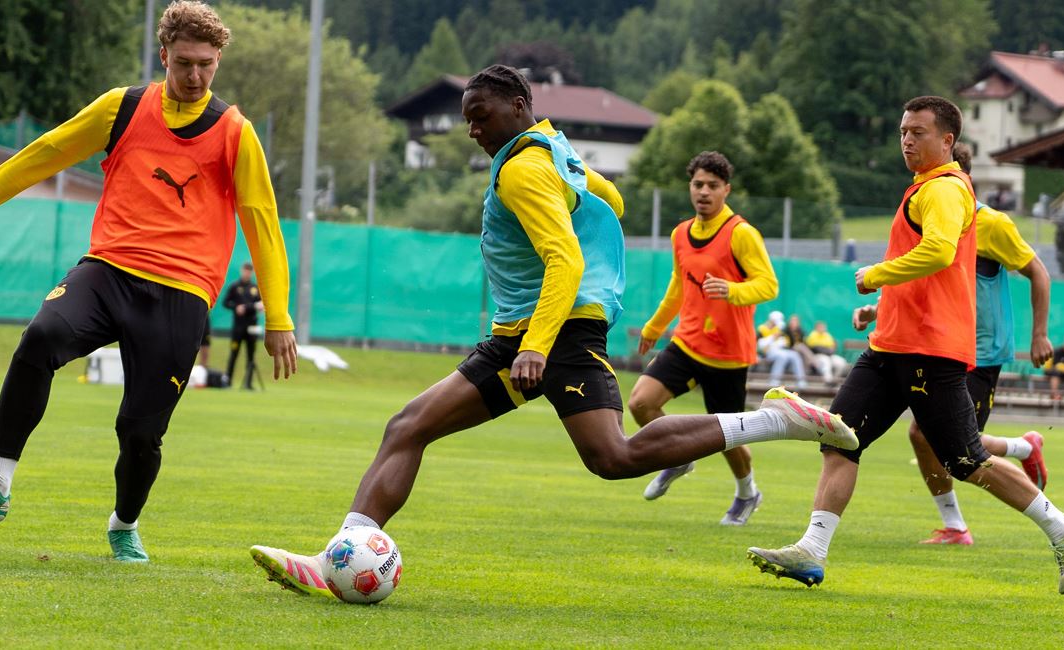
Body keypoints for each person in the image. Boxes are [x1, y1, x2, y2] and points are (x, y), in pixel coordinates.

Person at [249, 64, 858, 599]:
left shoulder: (523, 170)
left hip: (545, 331)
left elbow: (564, 258)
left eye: (479, 116)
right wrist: (571, 190)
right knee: (590, 453)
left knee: (429, 429)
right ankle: (780, 420)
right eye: (467, 120)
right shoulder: (552, 150)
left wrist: (536, 345)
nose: (472, 129)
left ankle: (339, 558)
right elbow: (613, 201)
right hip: (549, 327)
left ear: (517, 108)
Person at [0, 1, 298, 563]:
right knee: (40, 338)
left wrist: (279, 317)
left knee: (140, 431)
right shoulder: (122, 108)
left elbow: (263, 223)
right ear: (163, 56)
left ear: (218, 60)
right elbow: (42, 155)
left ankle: (123, 523)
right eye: (184, 63)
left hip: (181, 294)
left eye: (206, 64)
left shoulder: (235, 133)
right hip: (107, 270)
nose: (195, 75)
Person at [747, 96, 1064, 595]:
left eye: (918, 132)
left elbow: (939, 252)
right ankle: (812, 550)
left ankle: (1063, 533)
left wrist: (875, 275)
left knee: (966, 460)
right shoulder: (924, 189)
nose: (907, 140)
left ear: (949, 142)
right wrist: (883, 306)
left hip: (928, 351)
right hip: (890, 345)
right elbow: (929, 274)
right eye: (903, 131)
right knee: (840, 438)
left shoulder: (943, 190)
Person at [905, 142, 1053, 545]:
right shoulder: (926, 218)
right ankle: (956, 525)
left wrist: (1039, 334)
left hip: (981, 352)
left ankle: (1023, 454)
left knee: (955, 446)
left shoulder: (992, 224)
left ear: (960, 179)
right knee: (924, 435)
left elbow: (1039, 273)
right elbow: (921, 280)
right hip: (940, 344)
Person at [631, 151, 779, 525]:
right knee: (641, 403)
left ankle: (748, 494)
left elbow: (768, 284)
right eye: (698, 184)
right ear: (690, 187)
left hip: (728, 354)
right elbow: (678, 286)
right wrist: (654, 327)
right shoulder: (681, 233)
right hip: (687, 342)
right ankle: (678, 456)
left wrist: (731, 290)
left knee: (727, 437)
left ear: (726, 190)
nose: (704, 192)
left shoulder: (741, 234)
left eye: (713, 186)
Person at [224, 261, 263, 389]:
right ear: (242, 271)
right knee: (234, 353)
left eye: (249, 271)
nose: (247, 273)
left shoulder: (255, 288)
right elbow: (226, 303)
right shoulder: (235, 287)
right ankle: (228, 381)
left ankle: (248, 383)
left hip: (252, 327)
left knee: (251, 355)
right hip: (238, 327)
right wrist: (236, 307)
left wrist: (249, 307)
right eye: (245, 270)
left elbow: (260, 305)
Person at [757, 311, 807, 388]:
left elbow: (784, 342)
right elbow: (760, 345)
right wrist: (773, 338)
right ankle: (774, 379)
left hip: (780, 350)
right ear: (771, 320)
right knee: (782, 356)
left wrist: (777, 341)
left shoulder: (779, 328)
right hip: (767, 353)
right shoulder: (762, 329)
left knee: (795, 355)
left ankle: (801, 380)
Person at [1045, 334, 1064, 400]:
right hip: (1053, 371)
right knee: (1056, 374)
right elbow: (1056, 366)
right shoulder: (1058, 352)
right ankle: (1054, 395)